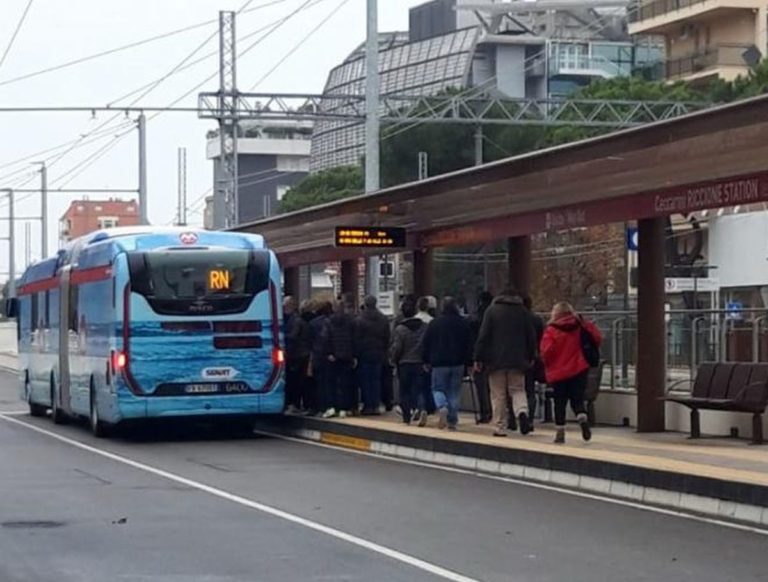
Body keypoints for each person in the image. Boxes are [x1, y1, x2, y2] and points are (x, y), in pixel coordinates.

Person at [474, 288, 537, 437]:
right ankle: (521, 411)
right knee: (518, 390)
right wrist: (531, 356)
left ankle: (500, 426)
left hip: (495, 360)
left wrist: (478, 358)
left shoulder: (491, 311)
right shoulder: (523, 311)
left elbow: (483, 336)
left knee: (498, 394)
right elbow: (531, 336)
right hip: (518, 360)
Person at [540, 302, 603, 444]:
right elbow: (597, 338)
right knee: (577, 399)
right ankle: (582, 417)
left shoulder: (552, 330)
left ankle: (560, 431)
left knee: (559, 401)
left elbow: (546, 352)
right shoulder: (582, 325)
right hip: (579, 368)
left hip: (558, 371)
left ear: (555, 313)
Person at [422, 297, 472, 431]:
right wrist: (469, 362)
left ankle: (442, 406)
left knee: (437, 388)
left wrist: (425, 360)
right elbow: (469, 344)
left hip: (439, 362)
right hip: (458, 363)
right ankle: (452, 420)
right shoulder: (463, 323)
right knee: (454, 392)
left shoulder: (434, 323)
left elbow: (426, 343)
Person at [390, 299, 428, 426]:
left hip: (404, 363)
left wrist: (393, 359)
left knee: (404, 390)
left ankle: (406, 417)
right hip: (419, 362)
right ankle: (422, 408)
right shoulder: (424, 327)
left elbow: (397, 347)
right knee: (419, 389)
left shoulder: (400, 329)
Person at [321, 298, 358, 418]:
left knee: (331, 382)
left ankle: (332, 406)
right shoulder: (350, 321)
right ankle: (344, 408)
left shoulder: (328, 321)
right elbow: (354, 339)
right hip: (347, 356)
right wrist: (353, 355)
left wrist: (329, 353)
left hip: (333, 357)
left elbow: (325, 338)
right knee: (345, 383)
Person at [355, 295, 391, 415]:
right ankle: (375, 405)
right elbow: (387, 337)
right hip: (378, 353)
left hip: (364, 354)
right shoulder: (383, 319)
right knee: (376, 380)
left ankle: (368, 405)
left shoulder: (360, 319)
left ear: (365, 304)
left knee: (365, 380)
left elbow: (357, 338)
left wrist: (356, 353)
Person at [468, 291, 494, 424]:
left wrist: (473, 358)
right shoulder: (495, 316)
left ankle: (485, 412)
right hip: (495, 356)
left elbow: (473, 340)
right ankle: (497, 411)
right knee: (496, 387)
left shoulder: (475, 319)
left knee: (481, 386)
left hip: (479, 356)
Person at [285, 299, 313, 414]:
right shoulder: (298, 320)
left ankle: (296, 405)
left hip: (298, 355)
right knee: (299, 381)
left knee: (296, 381)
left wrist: (281, 335)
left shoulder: (296, 320)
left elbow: (293, 336)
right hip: (301, 353)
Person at [523, 296, 545, 425]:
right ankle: (530, 417)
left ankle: (515, 417)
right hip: (533, 358)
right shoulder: (537, 320)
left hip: (518, 358)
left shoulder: (517, 320)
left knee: (515, 389)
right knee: (530, 390)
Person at [309, 301, 333, 417]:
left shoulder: (313, 323)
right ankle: (329, 406)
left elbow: (310, 340)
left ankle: (320, 407)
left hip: (317, 355)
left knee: (319, 383)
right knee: (330, 382)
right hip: (330, 356)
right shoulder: (333, 321)